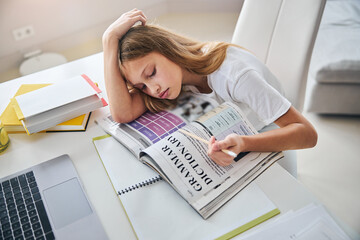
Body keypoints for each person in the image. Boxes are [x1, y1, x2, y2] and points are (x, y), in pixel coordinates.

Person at [102, 9, 318, 167]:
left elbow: (307, 134)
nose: (153, 89)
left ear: (168, 49)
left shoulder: (234, 76)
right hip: (233, 140)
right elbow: (122, 113)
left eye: (151, 74)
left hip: (269, 142)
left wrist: (244, 143)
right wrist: (109, 42)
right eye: (142, 85)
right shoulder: (176, 80)